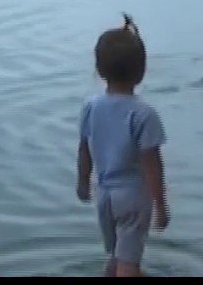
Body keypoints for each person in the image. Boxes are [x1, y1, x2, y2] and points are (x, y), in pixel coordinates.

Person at [76, 14, 170, 277]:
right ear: (142, 71)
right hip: (133, 197)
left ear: (99, 70)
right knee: (128, 264)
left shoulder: (91, 107)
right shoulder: (143, 114)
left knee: (116, 257)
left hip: (104, 194)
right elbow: (152, 164)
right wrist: (161, 205)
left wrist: (83, 182)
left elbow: (84, 149)